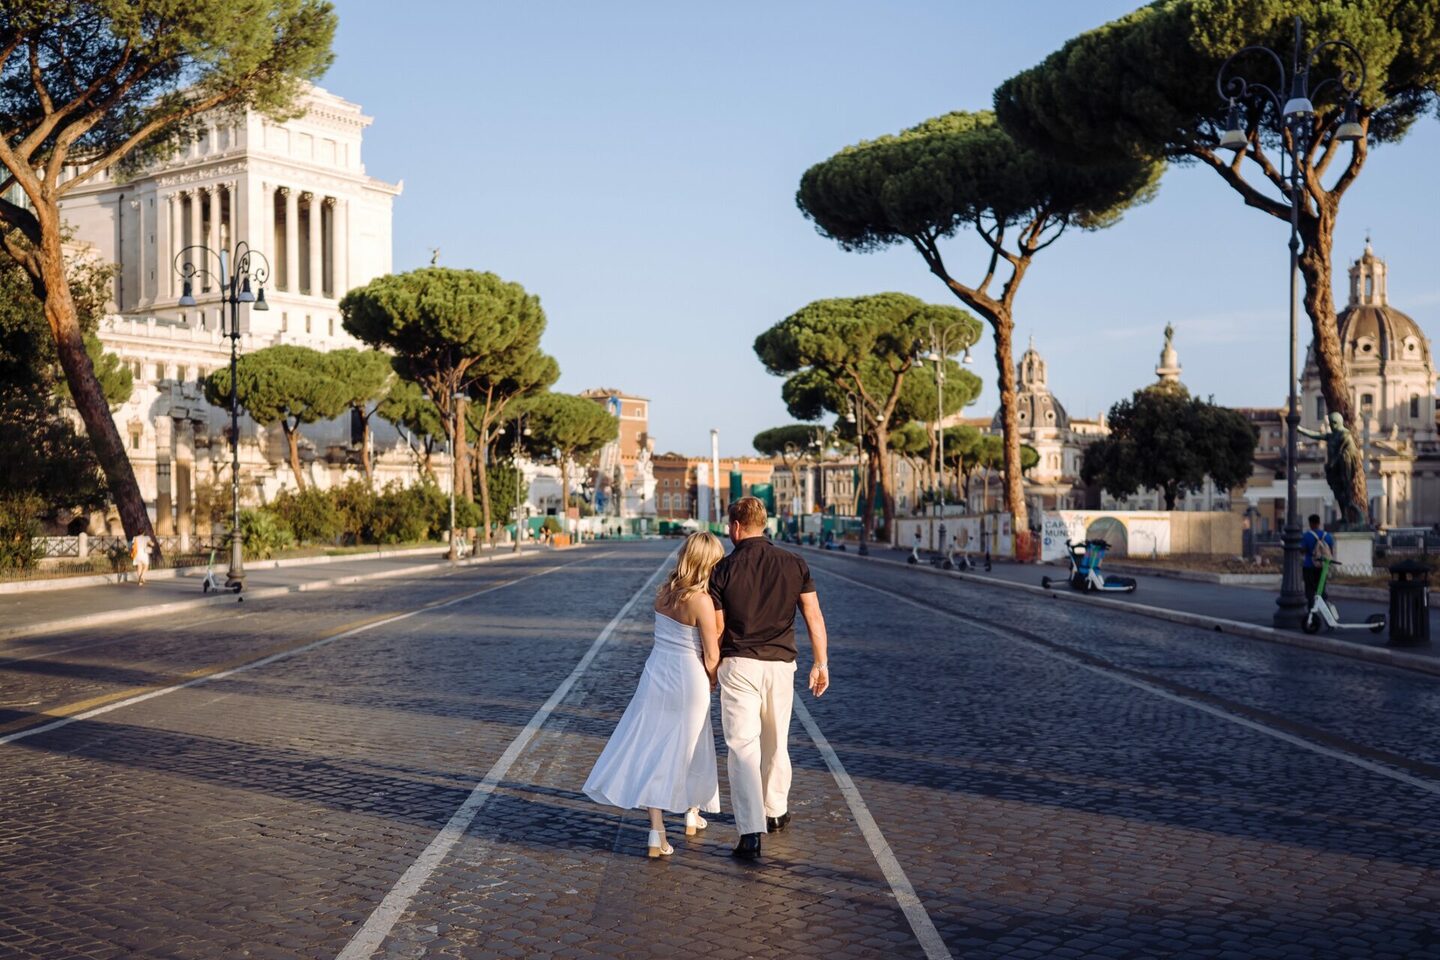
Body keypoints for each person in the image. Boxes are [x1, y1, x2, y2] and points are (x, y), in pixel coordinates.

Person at [584, 532, 723, 859]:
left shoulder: (663, 593)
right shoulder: (701, 601)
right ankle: (691, 811)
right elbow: (712, 655)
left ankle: (657, 831)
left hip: (657, 674)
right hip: (690, 679)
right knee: (690, 747)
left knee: (654, 748)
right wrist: (714, 680)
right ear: (707, 563)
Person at [710, 497, 830, 861]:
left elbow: (716, 629)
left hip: (739, 664)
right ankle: (775, 811)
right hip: (781, 665)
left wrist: (712, 669)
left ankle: (750, 833)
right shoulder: (794, 563)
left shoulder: (722, 569)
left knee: (742, 747)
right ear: (765, 524)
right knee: (776, 740)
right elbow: (813, 614)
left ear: (735, 527)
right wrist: (821, 662)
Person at [1301, 514, 1335, 609]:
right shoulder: (1327, 536)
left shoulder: (1307, 536)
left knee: (1310, 590)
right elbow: (1330, 552)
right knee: (1321, 588)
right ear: (1319, 523)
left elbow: (1302, 550)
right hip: (1322, 567)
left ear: (1310, 523)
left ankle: (1311, 611)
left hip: (1309, 566)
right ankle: (1325, 609)